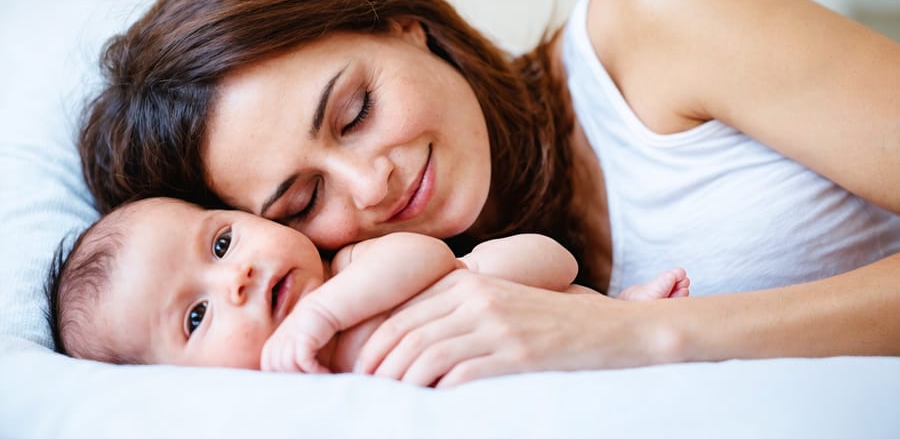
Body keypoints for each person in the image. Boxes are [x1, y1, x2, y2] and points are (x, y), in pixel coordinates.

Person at [76, 0, 900, 387]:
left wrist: (640, 335)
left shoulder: (658, 25)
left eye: (356, 111)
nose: (372, 187)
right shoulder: (430, 301)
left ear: (404, 27)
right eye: (301, 200)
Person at [47, 197, 689, 373]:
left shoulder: (347, 267)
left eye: (221, 243)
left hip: (531, 288)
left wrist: (322, 314)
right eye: (195, 316)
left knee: (509, 264)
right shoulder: (272, 393)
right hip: (514, 368)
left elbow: (424, 256)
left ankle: (620, 309)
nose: (235, 277)